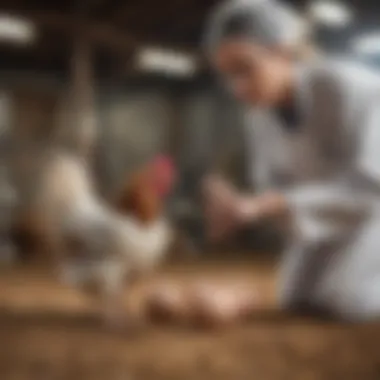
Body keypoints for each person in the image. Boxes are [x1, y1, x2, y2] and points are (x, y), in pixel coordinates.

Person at [202, 0, 380, 321]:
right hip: (328, 222)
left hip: (374, 213)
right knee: (294, 298)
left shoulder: (354, 90)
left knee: (346, 300)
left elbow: (370, 188)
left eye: (245, 68)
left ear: (282, 52)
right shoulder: (259, 115)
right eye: (227, 75)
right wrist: (243, 209)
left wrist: (265, 205)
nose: (237, 88)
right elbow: (271, 185)